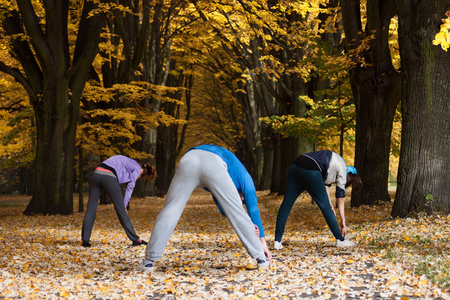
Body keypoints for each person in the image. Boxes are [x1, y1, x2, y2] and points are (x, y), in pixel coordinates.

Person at [137, 144, 272, 272]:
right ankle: (261, 257)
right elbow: (252, 210)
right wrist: (263, 242)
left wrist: (249, 224)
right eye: (243, 199)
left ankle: (149, 261)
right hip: (213, 162)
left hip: (188, 160)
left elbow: (225, 209)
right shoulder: (246, 180)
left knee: (171, 208)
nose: (242, 200)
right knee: (237, 210)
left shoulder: (228, 179)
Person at [274, 150, 363, 250]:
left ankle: (277, 241)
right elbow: (340, 197)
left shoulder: (332, 163)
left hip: (295, 166)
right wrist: (343, 221)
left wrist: (330, 204)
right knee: (325, 208)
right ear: (347, 178)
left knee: (286, 203)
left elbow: (326, 186)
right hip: (311, 171)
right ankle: (340, 240)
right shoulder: (343, 168)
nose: (338, 183)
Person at [81, 155, 157, 247]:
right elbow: (130, 187)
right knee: (121, 210)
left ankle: (85, 240)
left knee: (91, 208)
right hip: (109, 176)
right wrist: (124, 205)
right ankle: (136, 239)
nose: (138, 178)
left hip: (96, 173)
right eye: (140, 177)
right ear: (141, 172)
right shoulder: (137, 168)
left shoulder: (128, 161)